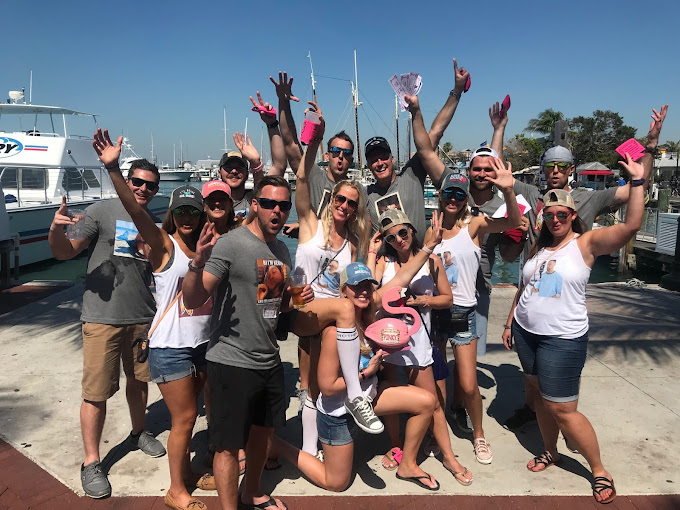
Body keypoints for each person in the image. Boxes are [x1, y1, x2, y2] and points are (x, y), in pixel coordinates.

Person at [501, 104, 668, 433]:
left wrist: (649, 146)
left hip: (565, 290)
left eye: (562, 166)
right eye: (550, 165)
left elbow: (634, 187)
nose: (555, 171)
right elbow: (501, 177)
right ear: (543, 169)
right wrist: (500, 127)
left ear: (572, 169)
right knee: (530, 373)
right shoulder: (533, 193)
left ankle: (564, 422)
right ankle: (530, 409)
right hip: (530, 287)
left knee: (557, 380)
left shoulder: (587, 198)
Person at [501, 154, 645, 504]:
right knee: (540, 400)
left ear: (573, 215)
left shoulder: (586, 244)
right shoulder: (537, 248)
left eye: (561, 214)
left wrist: (639, 182)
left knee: (563, 408)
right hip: (526, 333)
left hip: (562, 339)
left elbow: (630, 228)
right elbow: (526, 286)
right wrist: (509, 321)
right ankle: (551, 451)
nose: (554, 219)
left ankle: (598, 469)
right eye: (548, 215)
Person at [48, 134, 166, 499]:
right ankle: (91, 461)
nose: (143, 189)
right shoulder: (101, 211)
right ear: (127, 182)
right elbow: (67, 251)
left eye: (151, 185)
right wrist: (56, 228)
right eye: (138, 183)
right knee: (96, 392)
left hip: (142, 317)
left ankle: (138, 431)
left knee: (139, 382)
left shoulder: (153, 220)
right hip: (102, 318)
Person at [273, 254, 453, 492]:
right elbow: (327, 387)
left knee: (427, 402)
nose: (363, 291)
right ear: (343, 292)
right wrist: (368, 371)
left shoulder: (370, 316)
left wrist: (428, 246)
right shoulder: (332, 332)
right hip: (339, 410)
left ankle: (407, 464)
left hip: (369, 400)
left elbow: (400, 278)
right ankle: (275, 445)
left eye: (367, 286)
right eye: (356, 286)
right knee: (336, 483)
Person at [291, 102, 379, 458]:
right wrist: (315, 138)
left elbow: (352, 285)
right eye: (340, 198)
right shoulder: (310, 224)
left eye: (351, 203)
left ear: (356, 209)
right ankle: (357, 394)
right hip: (302, 308)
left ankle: (310, 449)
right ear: (332, 200)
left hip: (331, 323)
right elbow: (300, 178)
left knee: (313, 386)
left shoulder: (353, 243)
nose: (344, 205)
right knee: (344, 309)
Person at [367, 208, 472, 486]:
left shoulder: (431, 259)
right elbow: (369, 294)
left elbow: (448, 299)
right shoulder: (383, 262)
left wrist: (422, 302)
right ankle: (397, 446)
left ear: (412, 230)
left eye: (403, 232)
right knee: (391, 395)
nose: (399, 240)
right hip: (388, 340)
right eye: (391, 238)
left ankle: (448, 456)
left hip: (417, 342)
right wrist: (371, 251)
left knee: (434, 403)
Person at [424, 168, 521, 465]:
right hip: (437, 312)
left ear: (465, 199)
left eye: (458, 194)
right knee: (438, 382)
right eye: (448, 193)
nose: (452, 199)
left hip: (464, 312)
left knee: (468, 385)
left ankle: (479, 434)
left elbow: (514, 223)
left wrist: (507, 190)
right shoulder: (432, 229)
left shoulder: (475, 224)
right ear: (440, 196)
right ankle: (437, 433)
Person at [365, 59, 470, 244]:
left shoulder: (412, 175)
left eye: (383, 157)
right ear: (368, 166)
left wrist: (457, 91)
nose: (380, 163)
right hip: (387, 270)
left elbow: (436, 132)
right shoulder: (365, 195)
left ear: (392, 159)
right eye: (374, 160)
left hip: (419, 264)